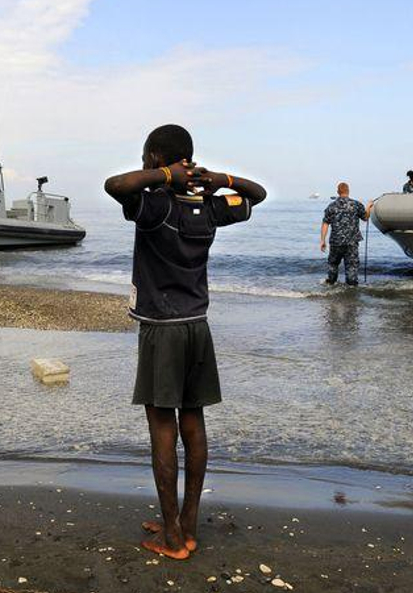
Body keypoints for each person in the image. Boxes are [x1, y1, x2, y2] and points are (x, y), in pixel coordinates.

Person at [104, 124, 266, 560]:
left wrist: (166, 176)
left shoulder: (155, 206)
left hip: (162, 329)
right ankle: (185, 522)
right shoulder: (208, 207)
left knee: (162, 427)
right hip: (198, 326)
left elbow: (115, 185)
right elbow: (256, 195)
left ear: (157, 159)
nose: (143, 165)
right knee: (193, 422)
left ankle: (173, 538)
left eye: (147, 158)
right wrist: (220, 181)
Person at [320, 182, 373, 286]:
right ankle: (351, 289)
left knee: (333, 265)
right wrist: (369, 206)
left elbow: (325, 223)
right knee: (351, 268)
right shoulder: (356, 205)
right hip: (351, 243)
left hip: (336, 242)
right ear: (348, 191)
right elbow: (365, 217)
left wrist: (323, 240)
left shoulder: (331, 206)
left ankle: (331, 285)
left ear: (338, 192)